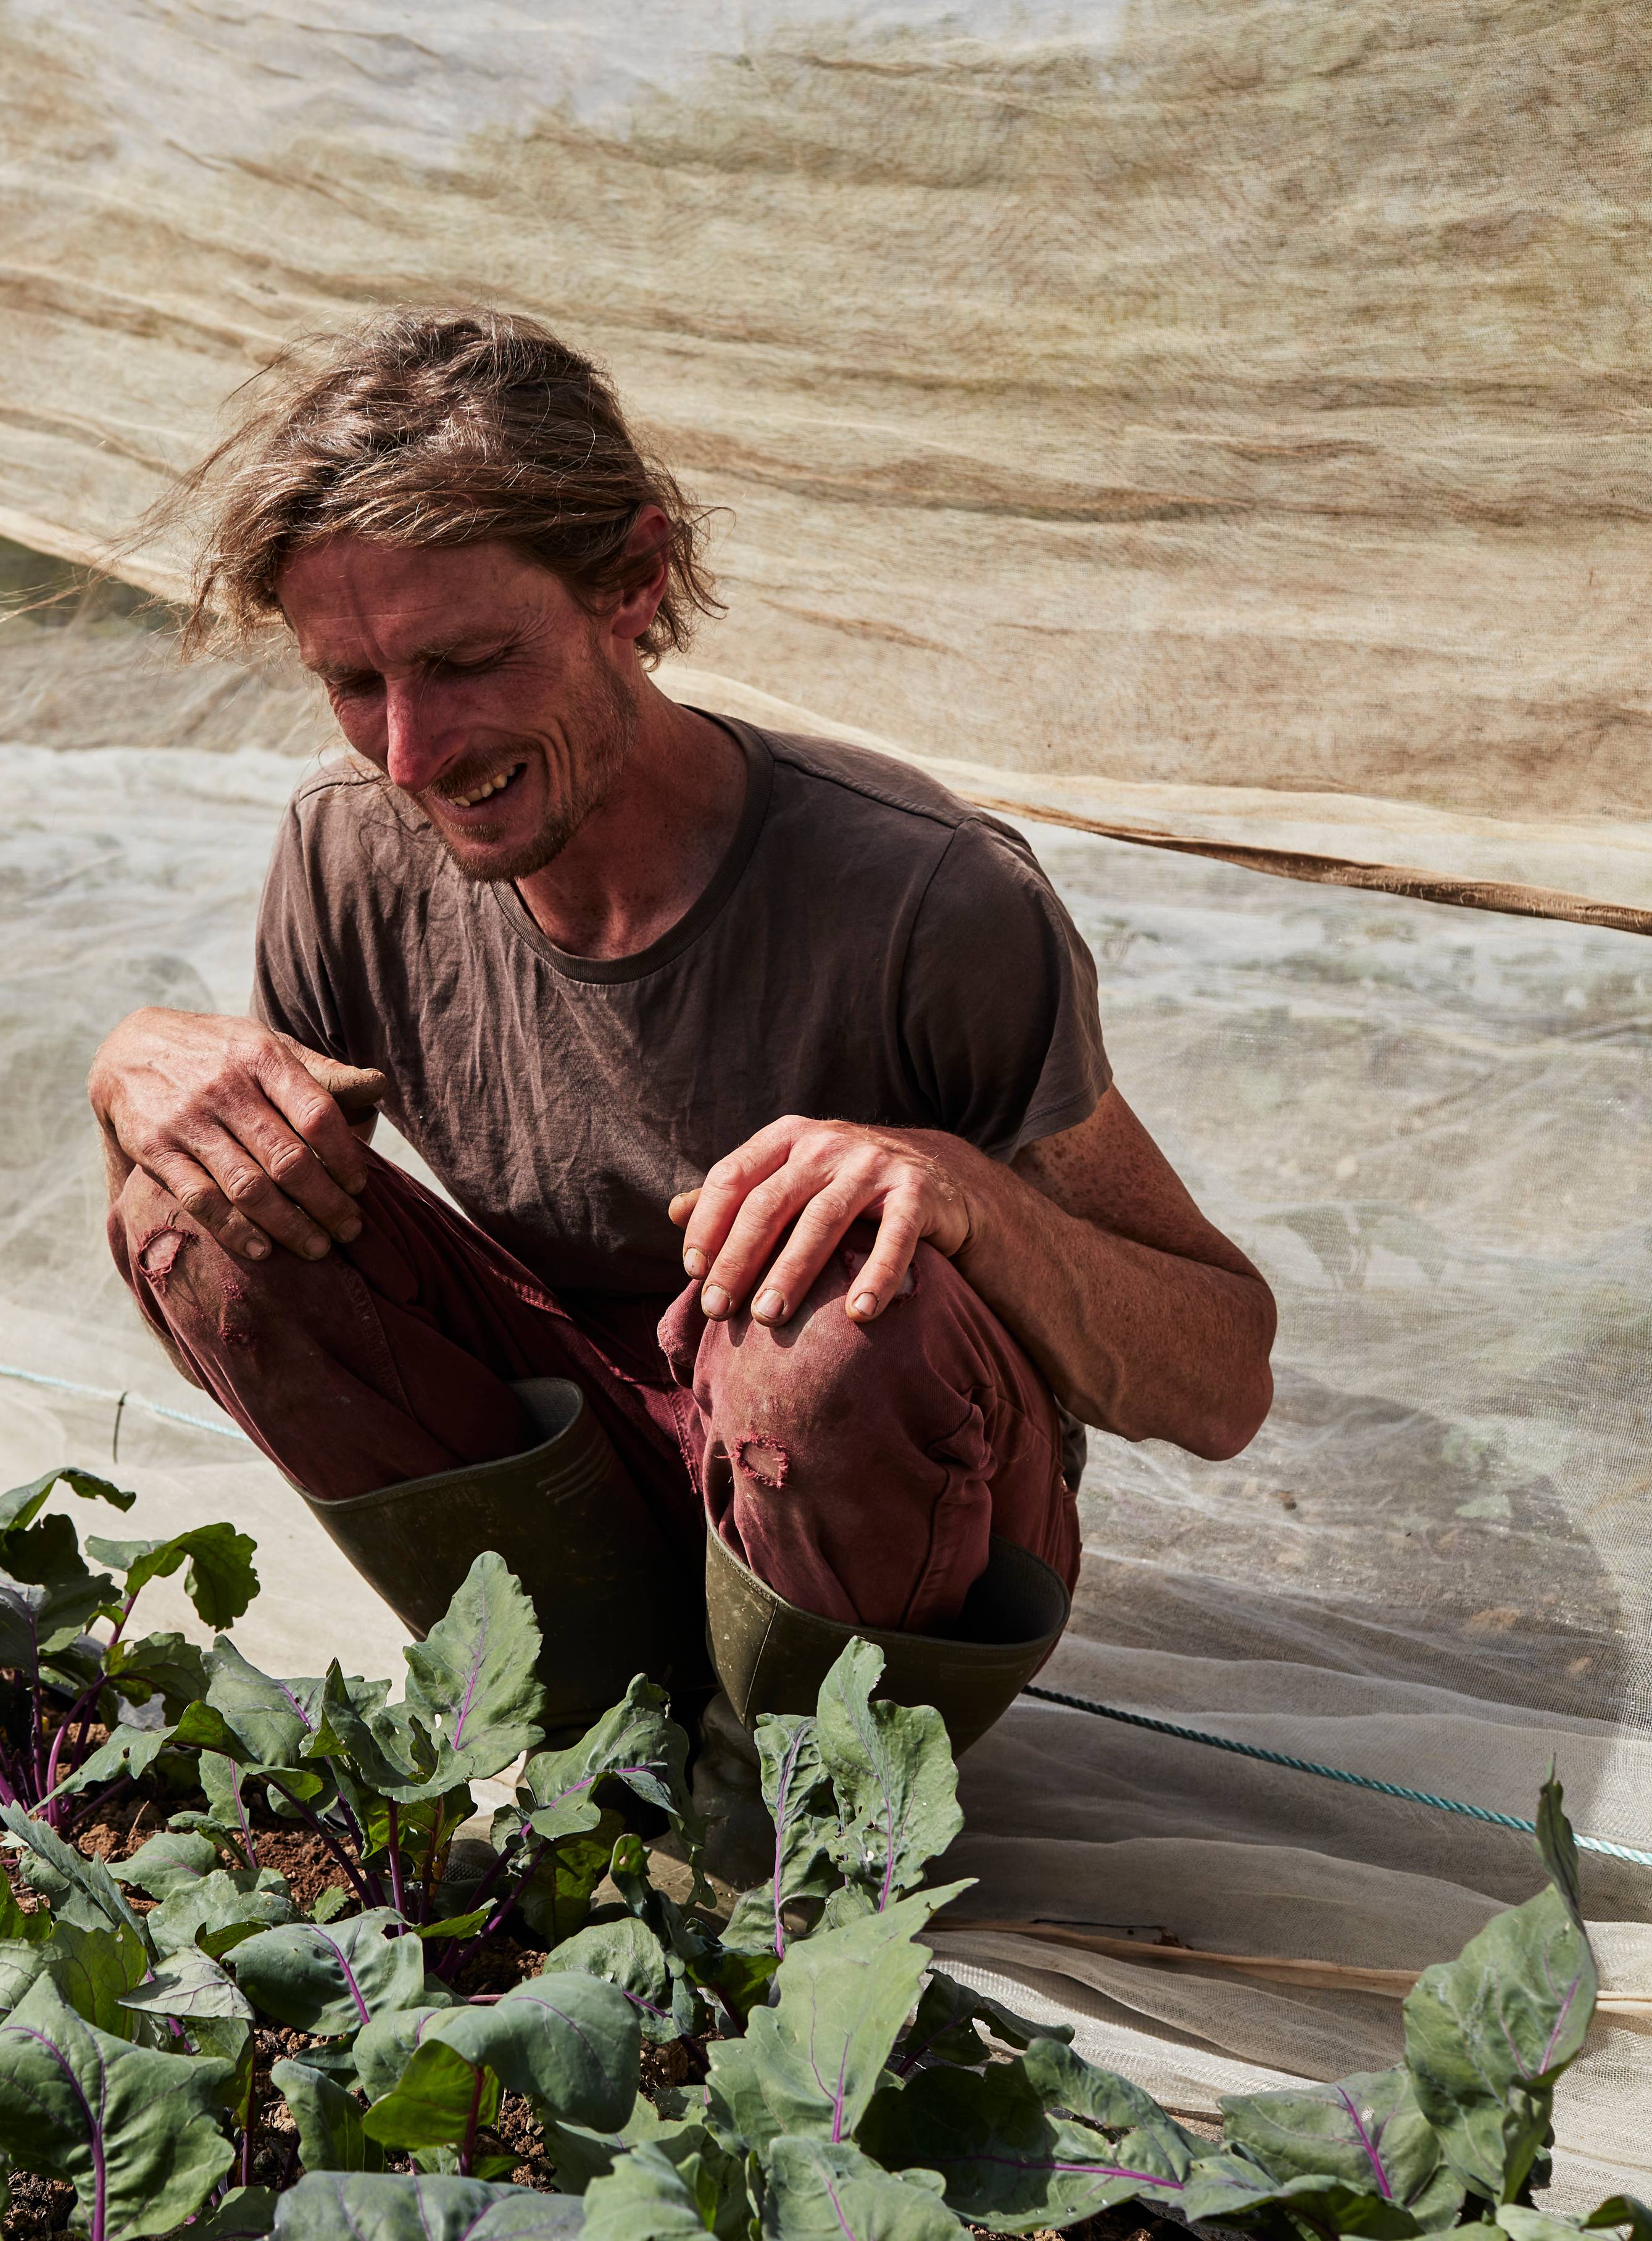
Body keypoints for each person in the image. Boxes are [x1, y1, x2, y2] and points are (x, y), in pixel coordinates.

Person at [90, 307, 1274, 1735]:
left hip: (879, 1524)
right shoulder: (353, 859)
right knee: (204, 1199)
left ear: (634, 582)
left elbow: (1223, 1377)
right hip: (583, 1491)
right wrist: (137, 1074)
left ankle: (807, 1800)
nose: (412, 752)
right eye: (354, 683)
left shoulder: (922, 900)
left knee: (828, 1328)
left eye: (467, 662)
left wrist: (960, 1191)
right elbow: (268, 1294)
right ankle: (595, 1730)